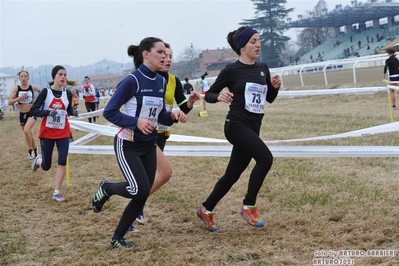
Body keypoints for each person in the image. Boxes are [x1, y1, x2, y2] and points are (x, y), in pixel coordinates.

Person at [91, 37, 187, 249]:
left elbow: (159, 115)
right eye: (160, 52)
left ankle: (117, 238)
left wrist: (172, 116)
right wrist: (135, 122)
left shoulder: (161, 81)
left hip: (148, 145)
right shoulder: (132, 80)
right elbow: (110, 112)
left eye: (166, 53)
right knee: (137, 189)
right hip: (128, 144)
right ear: (146, 54)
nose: (165, 56)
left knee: (143, 192)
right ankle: (107, 188)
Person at [196, 26, 281, 232]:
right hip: (235, 125)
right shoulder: (231, 70)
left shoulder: (263, 68)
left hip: (253, 126)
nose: (258, 45)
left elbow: (268, 98)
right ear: (242, 47)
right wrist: (219, 96)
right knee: (265, 158)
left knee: (232, 174)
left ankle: (206, 209)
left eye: (259, 40)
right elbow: (209, 94)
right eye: (253, 41)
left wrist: (275, 88)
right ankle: (248, 205)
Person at [128, 42, 201, 232]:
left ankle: (136, 208)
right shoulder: (146, 77)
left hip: (162, 133)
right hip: (145, 134)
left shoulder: (173, 80)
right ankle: (134, 208)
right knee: (158, 175)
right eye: (164, 55)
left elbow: (182, 106)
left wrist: (190, 103)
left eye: (170, 56)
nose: (168, 59)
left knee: (148, 178)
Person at [30, 65, 78, 201]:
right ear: (54, 77)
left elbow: (67, 111)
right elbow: (33, 111)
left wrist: (73, 112)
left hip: (63, 132)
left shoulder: (67, 93)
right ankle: (39, 161)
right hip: (47, 133)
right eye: (60, 74)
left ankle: (56, 192)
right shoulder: (46, 92)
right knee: (46, 166)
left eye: (65, 75)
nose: (63, 77)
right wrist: (48, 112)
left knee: (62, 161)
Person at [8, 70, 41, 159]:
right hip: (22, 113)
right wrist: (19, 98)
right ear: (19, 78)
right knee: (27, 133)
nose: (23, 78)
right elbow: (9, 102)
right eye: (21, 77)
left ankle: (30, 150)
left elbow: (41, 92)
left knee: (26, 130)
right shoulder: (16, 88)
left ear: (28, 78)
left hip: (32, 112)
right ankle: (35, 149)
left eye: (25, 76)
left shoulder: (32, 87)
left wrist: (37, 103)